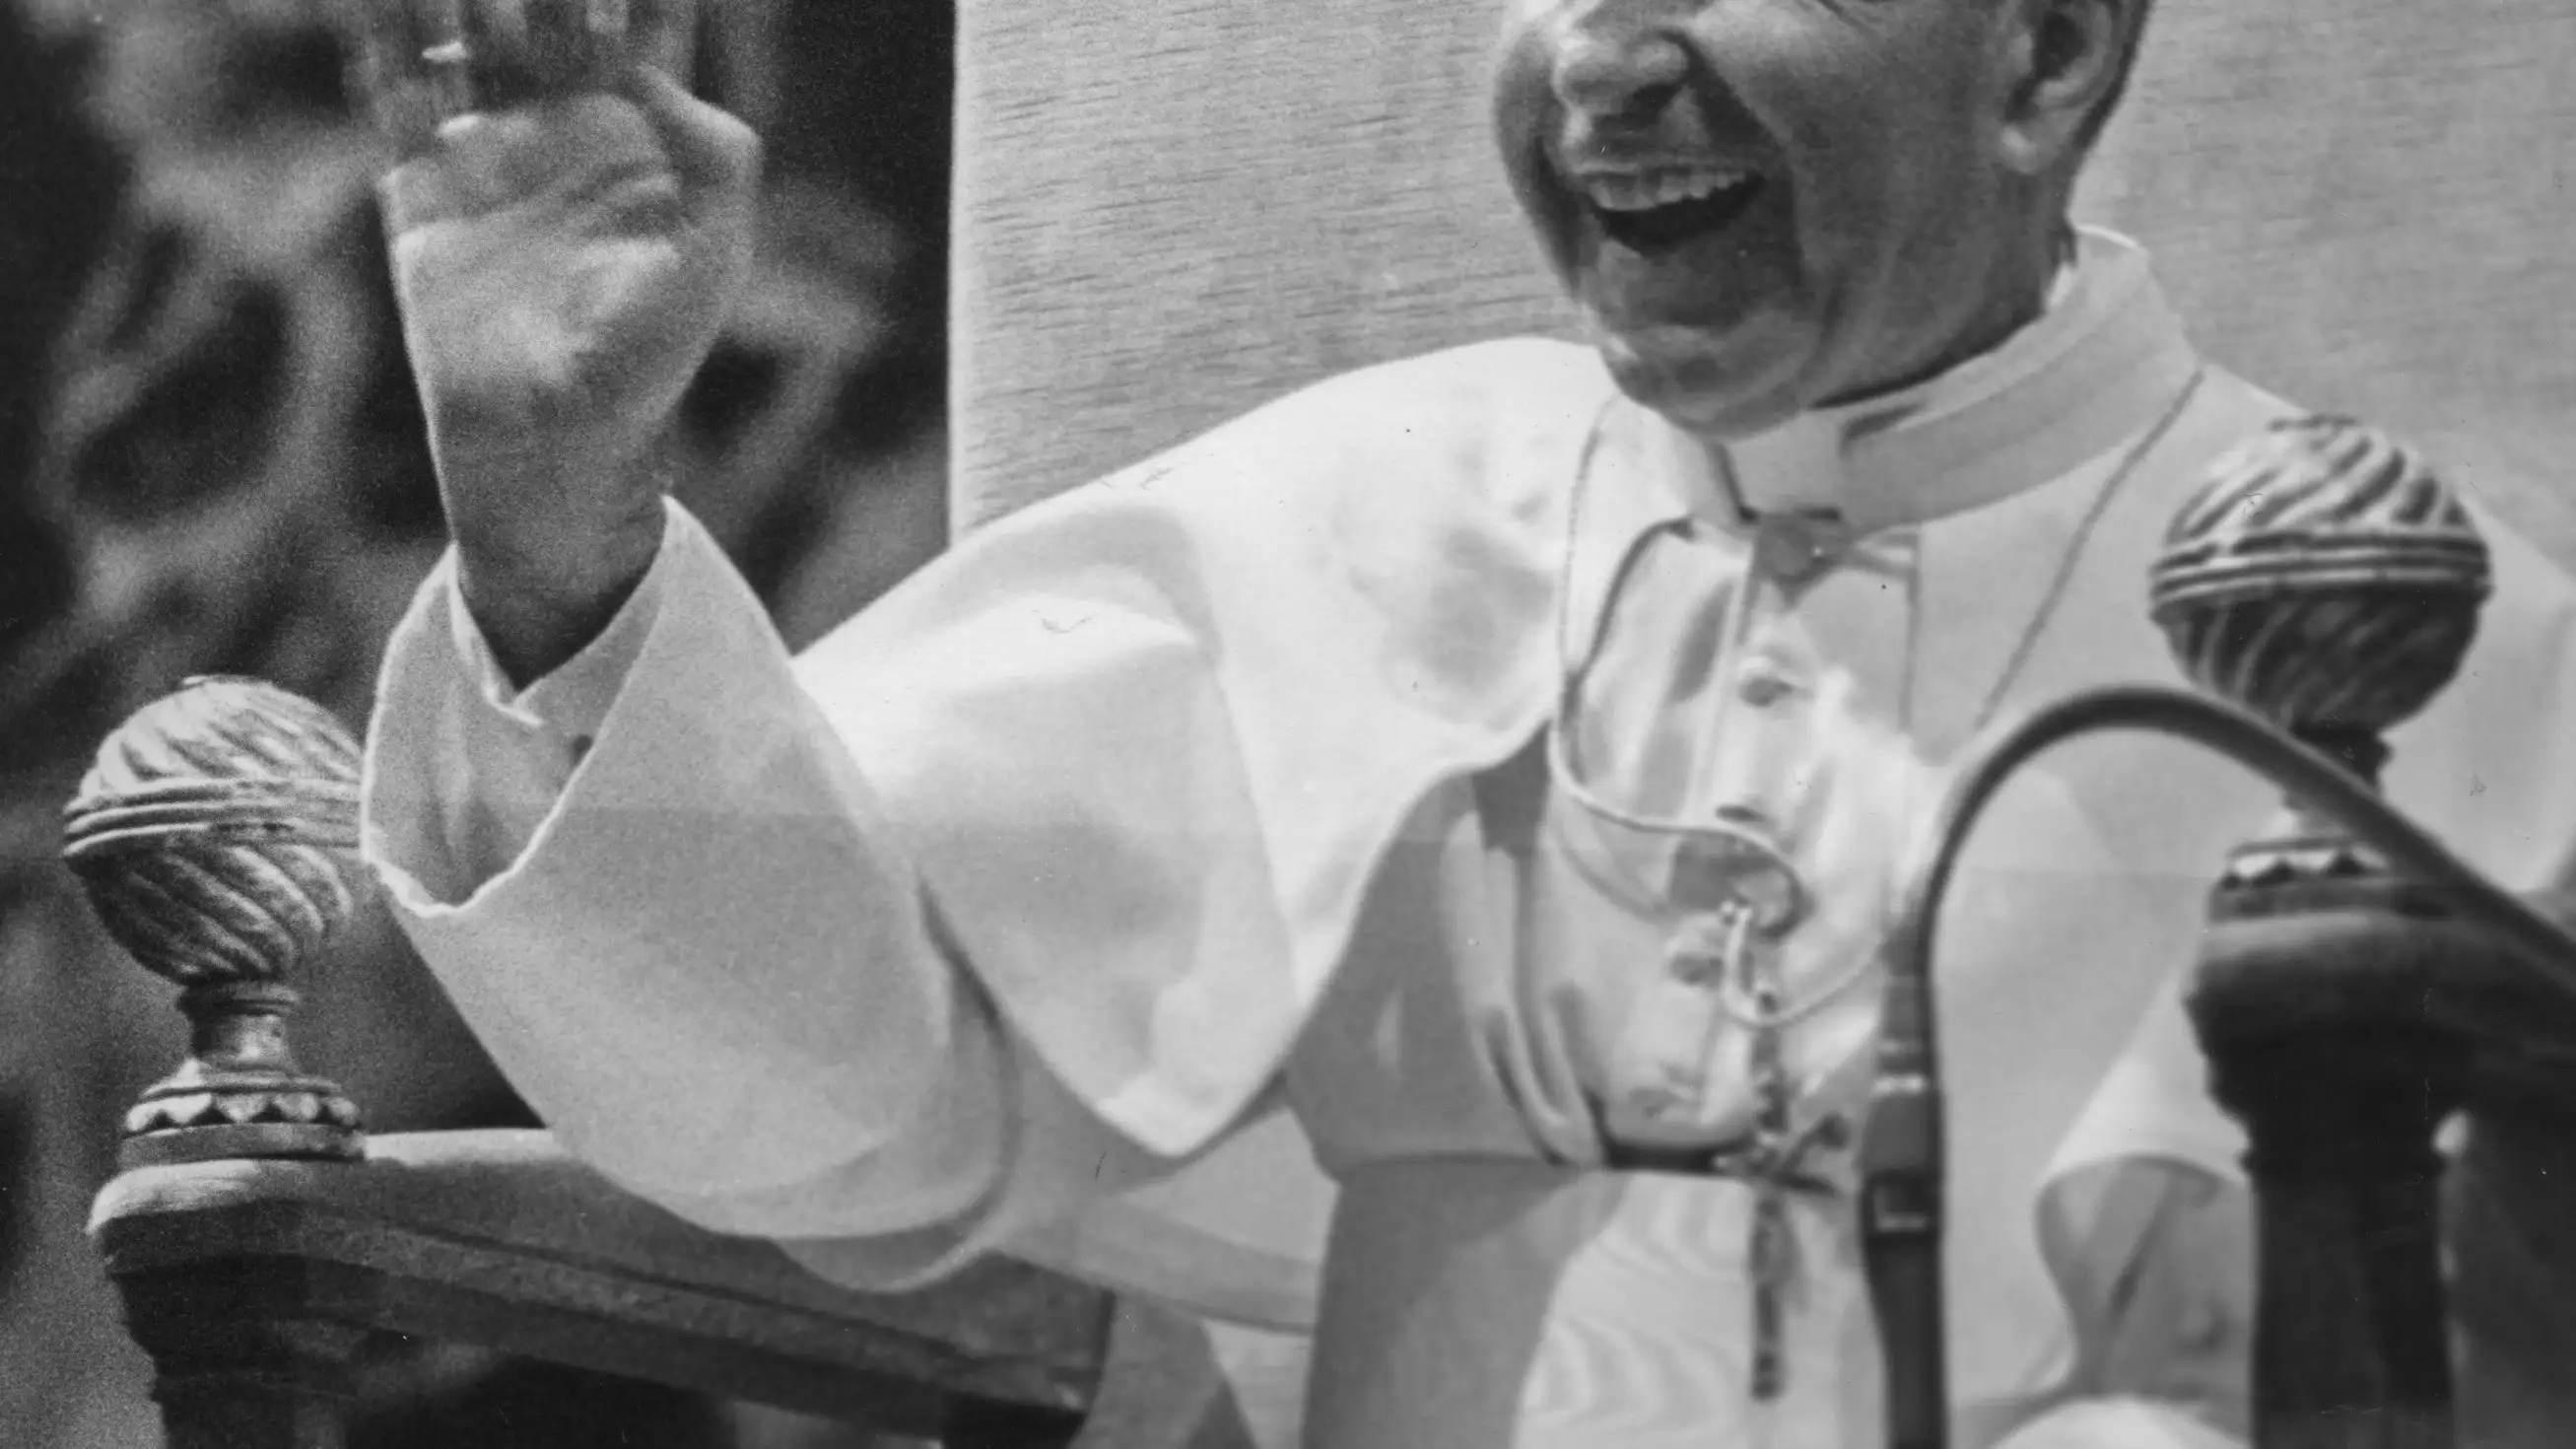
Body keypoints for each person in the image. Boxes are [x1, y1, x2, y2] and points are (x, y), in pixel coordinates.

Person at [353, 1, 2576, 1446]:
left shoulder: (2442, 649)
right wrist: (559, 516)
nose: (1599, 60)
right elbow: (827, 1097)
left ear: (2043, 53)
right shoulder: (1373, 516)